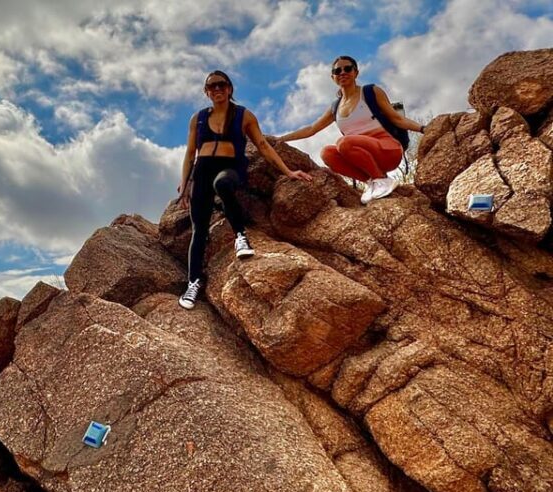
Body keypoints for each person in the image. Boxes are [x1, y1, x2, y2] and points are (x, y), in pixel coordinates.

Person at [177, 70, 312, 310]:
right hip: (203, 170)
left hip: (230, 167)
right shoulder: (197, 118)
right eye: (211, 86)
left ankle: (241, 236)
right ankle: (193, 283)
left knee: (223, 183)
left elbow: (262, 145)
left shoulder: (243, 115)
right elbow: (190, 154)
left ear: (229, 88)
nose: (217, 89)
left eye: (221, 85)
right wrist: (185, 185)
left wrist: (288, 172)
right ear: (206, 92)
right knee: (199, 229)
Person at [281, 55, 425, 203]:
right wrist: (280, 140)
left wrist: (423, 128)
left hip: (388, 150)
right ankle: (372, 182)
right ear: (333, 77)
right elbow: (311, 129)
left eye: (347, 68)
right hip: (362, 157)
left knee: (344, 143)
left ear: (356, 72)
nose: (342, 72)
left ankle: (381, 179)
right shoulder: (335, 108)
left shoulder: (370, 92)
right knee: (327, 153)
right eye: (338, 71)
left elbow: (397, 118)